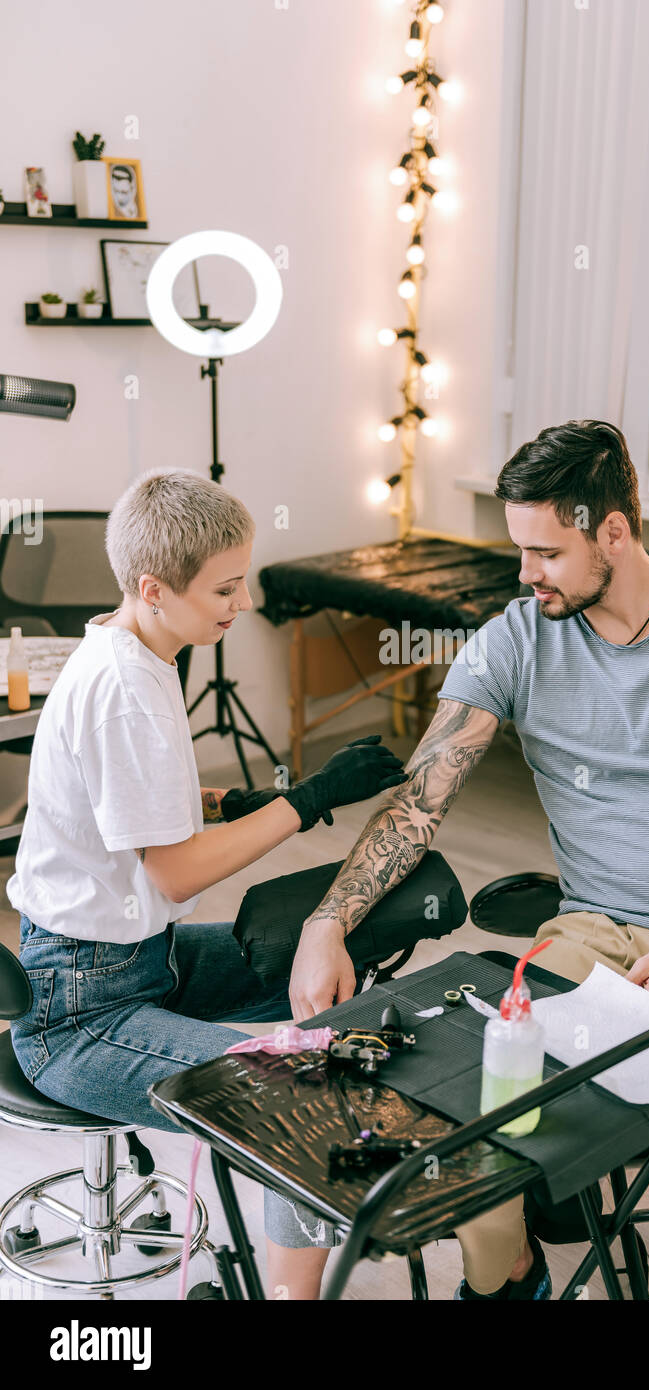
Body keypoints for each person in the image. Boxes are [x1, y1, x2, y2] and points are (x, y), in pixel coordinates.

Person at [285, 419, 649, 1301]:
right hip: (596, 933)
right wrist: (330, 921)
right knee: (467, 1114)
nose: (525, 573)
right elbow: (418, 803)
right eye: (517, 549)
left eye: (546, 552)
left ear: (614, 533)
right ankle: (510, 1277)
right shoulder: (516, 640)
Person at [7, 468, 407, 1293]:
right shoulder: (126, 690)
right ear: (155, 588)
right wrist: (306, 800)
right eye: (225, 589)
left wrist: (233, 799)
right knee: (303, 1090)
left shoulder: (138, 650)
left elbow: (127, 799)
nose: (243, 603)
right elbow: (180, 870)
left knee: (319, 968)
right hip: (79, 1013)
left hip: (131, 961)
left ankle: (332, 1198)